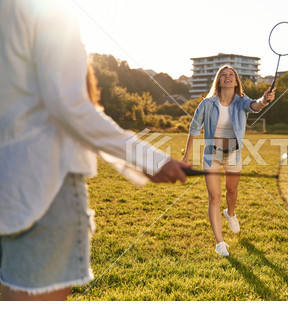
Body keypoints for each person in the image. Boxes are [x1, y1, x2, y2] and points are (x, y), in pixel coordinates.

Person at [0, 0, 189, 301]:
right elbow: (70, 107)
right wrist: (151, 159)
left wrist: (139, 163)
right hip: (46, 191)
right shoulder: (48, 11)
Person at [182, 65, 275, 256]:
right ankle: (220, 243)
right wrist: (186, 157)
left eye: (231, 74)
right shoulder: (207, 104)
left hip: (233, 155)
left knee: (231, 191)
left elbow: (254, 106)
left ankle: (230, 214)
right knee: (214, 198)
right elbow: (193, 129)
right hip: (211, 156)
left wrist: (264, 100)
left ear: (236, 81)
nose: (227, 77)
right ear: (218, 80)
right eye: (223, 74)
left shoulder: (241, 101)